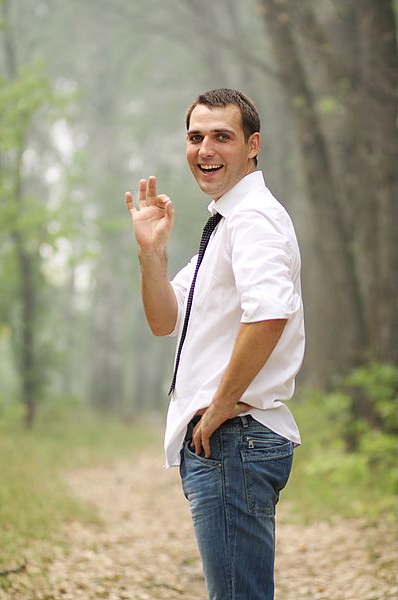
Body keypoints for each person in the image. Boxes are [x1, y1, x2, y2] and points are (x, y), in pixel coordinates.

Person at [126, 88, 305, 600]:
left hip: (233, 438)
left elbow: (270, 313)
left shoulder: (252, 219)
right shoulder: (227, 223)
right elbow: (165, 320)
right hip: (227, 441)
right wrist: (151, 254)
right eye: (195, 136)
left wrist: (219, 406)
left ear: (253, 145)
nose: (205, 149)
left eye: (221, 137)